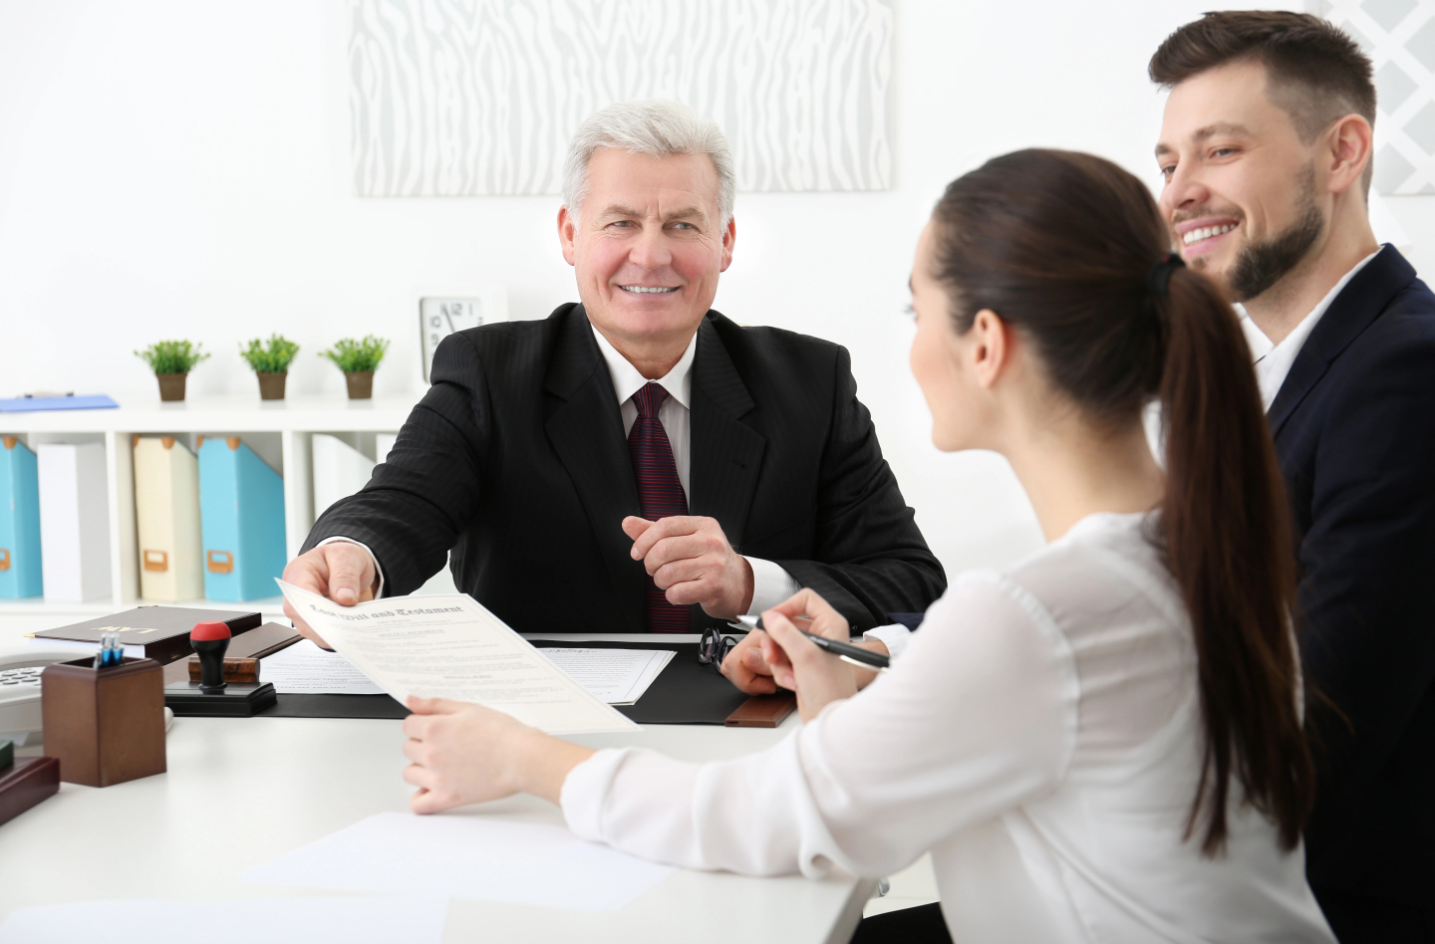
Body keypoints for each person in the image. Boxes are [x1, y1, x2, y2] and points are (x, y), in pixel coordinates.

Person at [391, 149, 1336, 942]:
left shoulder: (1032, 616)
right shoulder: (1194, 551)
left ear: (985, 346)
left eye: (914, 311)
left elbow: (763, 818)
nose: (911, 346)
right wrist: (858, 668)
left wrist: (522, 759)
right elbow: (1000, 679)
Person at [283, 100, 944, 640]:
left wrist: (750, 582)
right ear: (571, 235)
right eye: (621, 222)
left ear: (726, 243)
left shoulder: (809, 381)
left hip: (750, 720)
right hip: (534, 732)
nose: (650, 255)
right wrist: (353, 552)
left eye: (683, 225)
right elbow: (403, 500)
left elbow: (909, 577)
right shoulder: (489, 373)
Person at [1150, 12, 1435, 941]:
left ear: (1342, 151)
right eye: (1166, 165)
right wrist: (883, 647)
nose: (1180, 193)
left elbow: (1317, 715)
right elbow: (1156, 597)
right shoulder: (1271, 368)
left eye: (1218, 151)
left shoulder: (1405, 371)